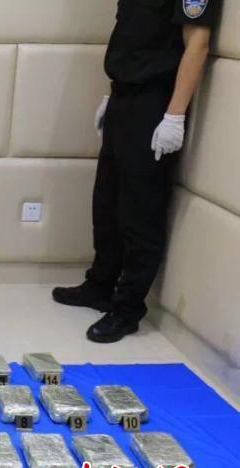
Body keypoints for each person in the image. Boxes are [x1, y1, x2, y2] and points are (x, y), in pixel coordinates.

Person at [53, 0, 221, 343]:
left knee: (140, 212)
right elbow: (131, 37)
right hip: (123, 95)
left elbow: (197, 43)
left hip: (154, 102)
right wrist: (110, 95)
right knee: (107, 202)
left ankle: (128, 309)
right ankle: (100, 285)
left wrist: (174, 115)